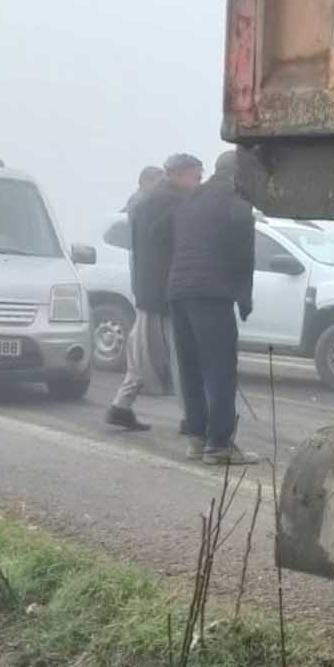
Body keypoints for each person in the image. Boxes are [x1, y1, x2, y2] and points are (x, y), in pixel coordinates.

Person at [167, 149, 259, 465]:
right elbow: (243, 255)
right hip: (211, 294)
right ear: (239, 173)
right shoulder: (236, 201)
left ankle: (197, 438)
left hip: (179, 293)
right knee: (219, 369)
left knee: (191, 369)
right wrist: (244, 299)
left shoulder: (190, 199)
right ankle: (219, 444)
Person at [105, 155, 202, 431]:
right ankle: (192, 417)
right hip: (165, 295)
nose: (198, 183)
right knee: (180, 357)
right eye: (195, 177)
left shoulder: (147, 201)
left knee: (141, 354)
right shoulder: (172, 204)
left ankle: (120, 406)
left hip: (148, 291)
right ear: (179, 175)